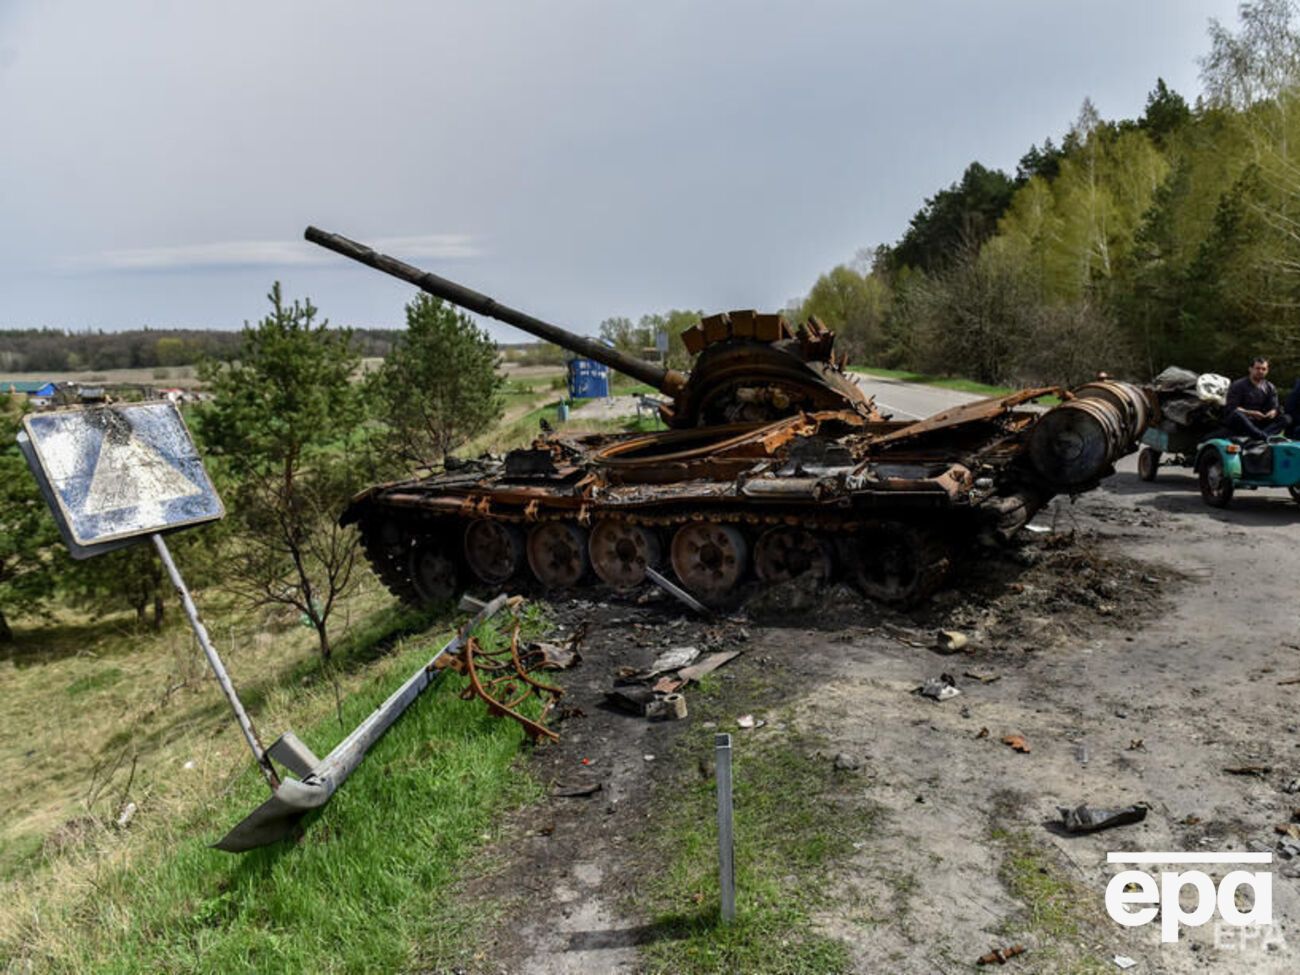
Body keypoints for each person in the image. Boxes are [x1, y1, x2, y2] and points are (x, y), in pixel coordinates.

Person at [1224, 356, 1285, 440]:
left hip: (1260, 420)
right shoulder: (1238, 385)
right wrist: (1251, 413)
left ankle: (1261, 434)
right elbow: (1232, 407)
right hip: (1242, 420)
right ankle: (1263, 436)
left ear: (1267, 371)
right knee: (1236, 415)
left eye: (1263, 369)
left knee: (1286, 418)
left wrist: (1272, 412)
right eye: (1257, 368)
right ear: (1250, 369)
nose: (1260, 371)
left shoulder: (1270, 387)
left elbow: (1274, 406)